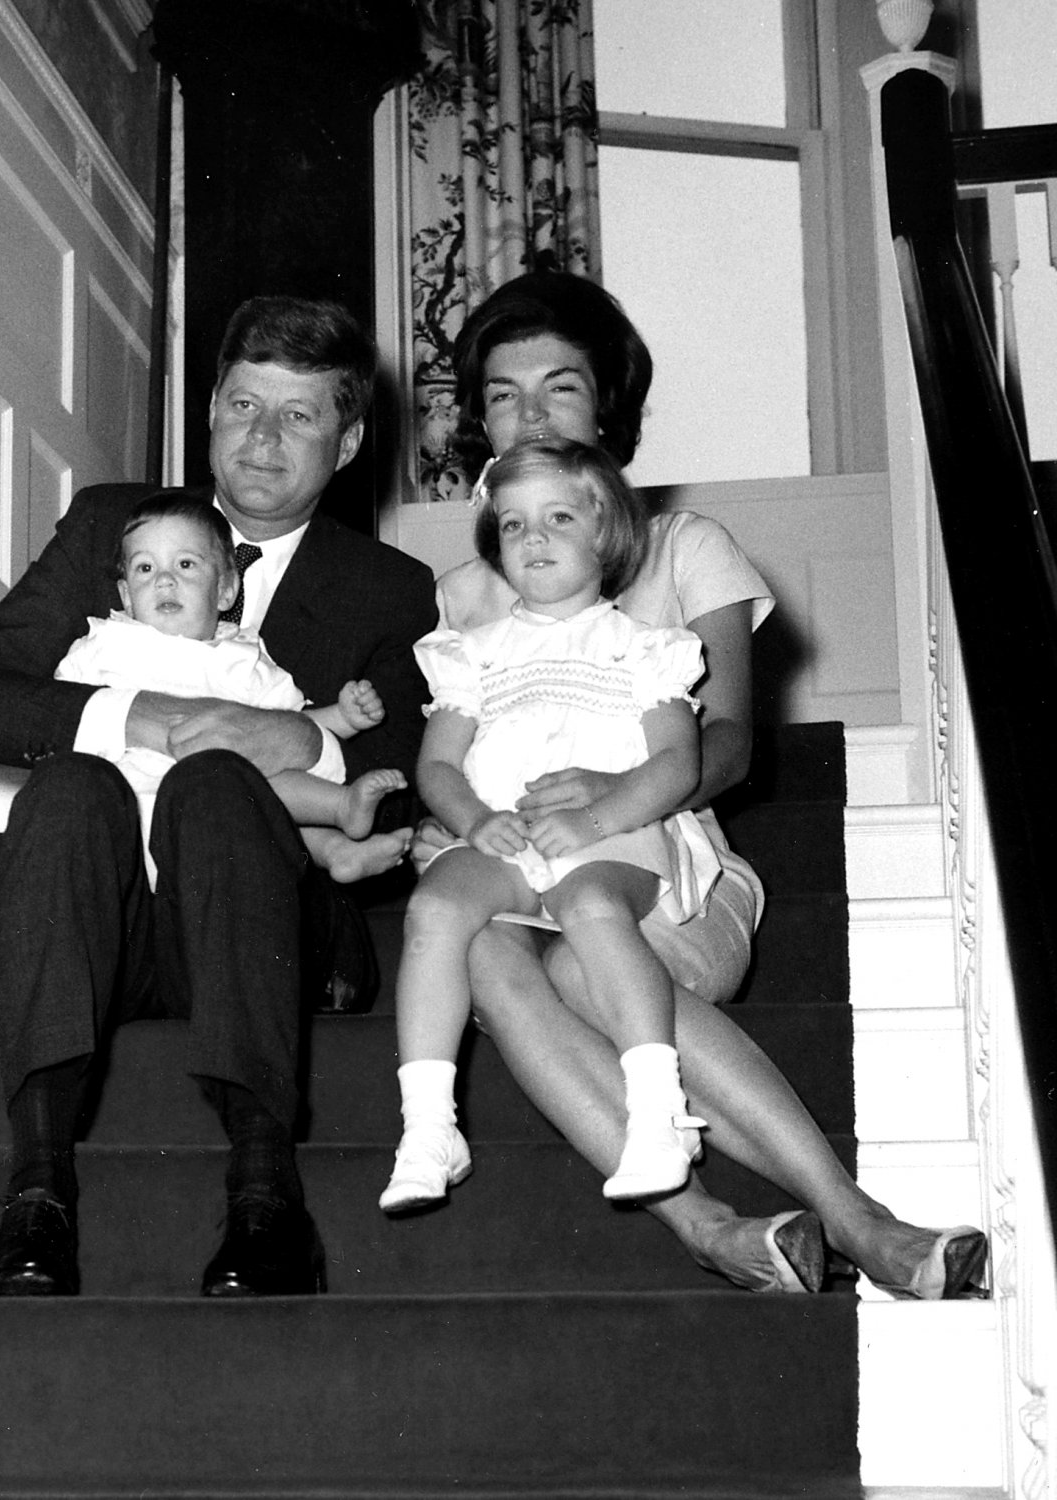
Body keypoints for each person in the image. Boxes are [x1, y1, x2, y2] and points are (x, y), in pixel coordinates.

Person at [413, 270, 986, 1299]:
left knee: (590, 962)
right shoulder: (464, 592)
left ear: (608, 410)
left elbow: (729, 745)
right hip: (523, 877)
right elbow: (454, 761)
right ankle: (711, 1227)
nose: (529, 413)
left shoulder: (686, 548)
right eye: (503, 394)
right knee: (484, 945)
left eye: (561, 388)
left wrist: (614, 789)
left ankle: (860, 1222)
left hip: (667, 867)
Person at [0, 294, 438, 1299]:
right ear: (208, 408)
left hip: (260, 922)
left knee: (214, 783)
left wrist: (298, 736)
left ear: (346, 445)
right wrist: (144, 713)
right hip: (104, 919)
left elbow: (401, 772)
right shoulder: (110, 528)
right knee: (70, 783)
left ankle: (265, 1197)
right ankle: (36, 1191)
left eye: (299, 417)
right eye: (245, 405)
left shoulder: (391, 584)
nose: (261, 438)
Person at [383, 440, 720, 1212]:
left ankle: (656, 1110)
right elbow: (438, 765)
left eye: (558, 518)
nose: (532, 539)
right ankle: (430, 1125)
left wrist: (598, 817)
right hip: (507, 835)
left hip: (611, 835)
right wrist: (475, 820)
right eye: (512, 525)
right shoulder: (473, 654)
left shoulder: (644, 649)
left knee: (590, 908)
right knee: (435, 908)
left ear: (607, 533)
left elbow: (676, 764)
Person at [54, 494, 411, 887]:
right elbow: (62, 715)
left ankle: (340, 831)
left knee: (265, 782)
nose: (164, 579)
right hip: (127, 807)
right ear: (125, 595)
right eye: (145, 568)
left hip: (221, 825)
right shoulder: (104, 644)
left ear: (225, 590)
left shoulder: (243, 658)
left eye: (185, 564)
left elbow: (289, 728)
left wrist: (342, 717)